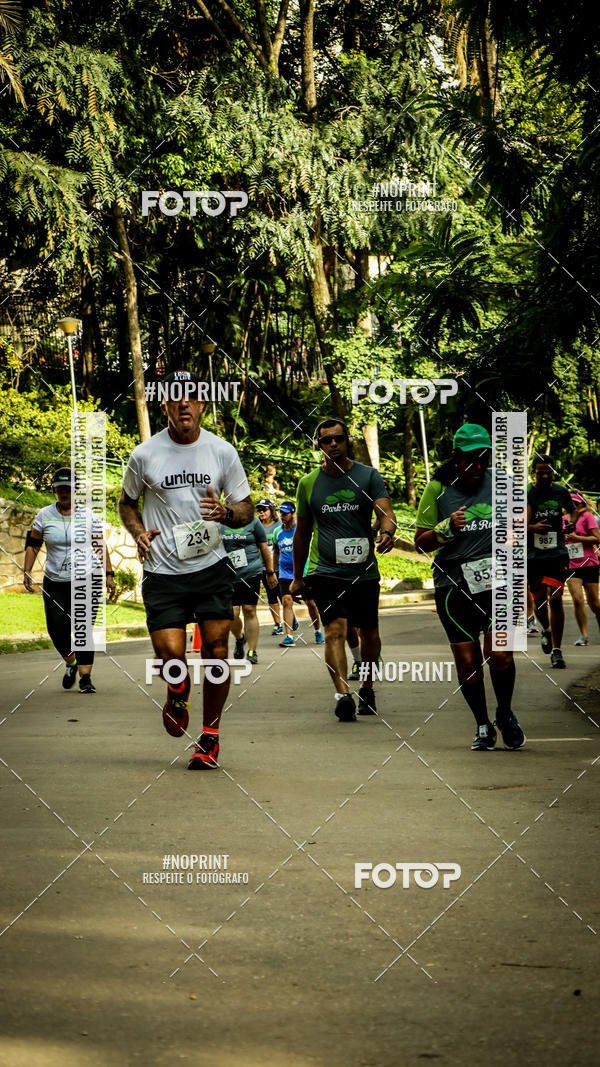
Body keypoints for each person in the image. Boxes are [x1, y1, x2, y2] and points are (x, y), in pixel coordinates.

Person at [118, 369, 253, 770]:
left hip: (210, 566)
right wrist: (138, 531)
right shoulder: (144, 455)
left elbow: (245, 508)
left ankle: (210, 736)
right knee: (170, 655)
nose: (184, 404)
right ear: (164, 407)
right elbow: (126, 503)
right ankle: (177, 690)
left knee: (216, 652)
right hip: (162, 569)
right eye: (175, 398)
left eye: (191, 397)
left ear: (202, 405)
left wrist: (226, 512)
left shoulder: (222, 451)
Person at [414, 423, 525, 751]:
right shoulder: (438, 489)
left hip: (499, 582)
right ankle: (482, 724)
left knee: (500, 655)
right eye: (472, 460)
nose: (479, 466)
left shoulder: (502, 482)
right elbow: (421, 543)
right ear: (456, 458)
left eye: (485, 458)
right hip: (454, 586)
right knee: (468, 663)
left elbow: (517, 527)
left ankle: (505, 714)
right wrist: (445, 528)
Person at [291, 419, 396, 721]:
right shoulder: (308, 483)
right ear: (318, 445)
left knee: (369, 633)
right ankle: (342, 693)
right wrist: (298, 578)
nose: (333, 444)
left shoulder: (367, 476)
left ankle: (367, 685)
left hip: (363, 572)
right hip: (326, 572)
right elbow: (302, 532)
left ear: (347, 441)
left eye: (339, 439)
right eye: (326, 440)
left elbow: (386, 513)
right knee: (334, 631)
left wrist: (387, 532)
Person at [23, 467, 116, 694]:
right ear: (55, 490)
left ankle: (86, 678)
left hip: (87, 578)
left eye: (68, 488)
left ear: (76, 490)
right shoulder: (45, 515)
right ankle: (71, 662)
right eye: (60, 489)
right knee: (56, 629)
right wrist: (27, 571)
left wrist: (108, 574)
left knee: (83, 628)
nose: (64, 493)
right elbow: (34, 544)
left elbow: (99, 544)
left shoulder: (88, 515)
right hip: (55, 580)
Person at [527, 454, 576, 669]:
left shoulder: (560, 491)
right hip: (533, 556)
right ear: (534, 473)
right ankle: (545, 630)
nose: (546, 476)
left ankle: (557, 651)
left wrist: (571, 524)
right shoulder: (527, 493)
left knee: (555, 598)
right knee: (539, 602)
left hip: (556, 554)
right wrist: (532, 528)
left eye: (549, 472)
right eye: (541, 472)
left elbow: (573, 513)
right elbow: (513, 523)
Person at [222, 516, 278, 664]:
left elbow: (264, 546)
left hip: (251, 571)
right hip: (227, 576)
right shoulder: (219, 521)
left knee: (249, 609)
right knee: (232, 613)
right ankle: (240, 638)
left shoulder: (252, 521)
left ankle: (252, 651)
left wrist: (270, 571)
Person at [273, 502, 324, 646]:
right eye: (281, 513)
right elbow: (276, 551)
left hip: (304, 571)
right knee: (286, 601)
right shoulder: (278, 532)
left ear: (293, 513)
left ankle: (317, 631)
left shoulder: (301, 530)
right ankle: (289, 636)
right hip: (285, 573)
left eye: (285, 513)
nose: (282, 516)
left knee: (311, 603)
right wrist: (272, 570)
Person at [564, 492, 600, 645]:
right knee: (577, 599)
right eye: (568, 502)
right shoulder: (562, 519)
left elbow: (597, 538)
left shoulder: (588, 517)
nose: (570, 505)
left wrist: (577, 538)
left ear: (580, 504)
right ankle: (583, 635)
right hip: (571, 564)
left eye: (573, 502)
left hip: (589, 563)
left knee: (594, 603)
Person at [256, 499, 283, 634]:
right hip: (263, 567)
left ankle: (291, 617)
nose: (261, 512)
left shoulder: (280, 525)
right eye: (259, 510)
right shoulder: (257, 526)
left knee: (283, 595)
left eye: (264, 509)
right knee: (271, 595)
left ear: (271, 511)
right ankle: (277, 624)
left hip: (279, 566)